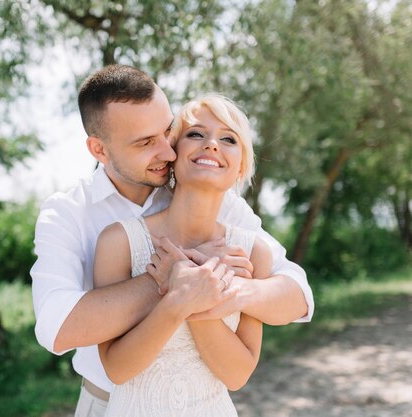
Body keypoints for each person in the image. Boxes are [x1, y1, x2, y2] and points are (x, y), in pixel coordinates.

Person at [30, 65, 314, 417]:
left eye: (168, 132)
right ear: (99, 150)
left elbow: (297, 294)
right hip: (109, 403)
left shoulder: (218, 200)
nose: (167, 151)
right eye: (146, 142)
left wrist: (226, 287)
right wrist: (180, 276)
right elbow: (58, 328)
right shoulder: (70, 213)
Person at [94, 93, 268, 417]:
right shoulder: (119, 241)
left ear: (241, 165)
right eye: (196, 134)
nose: (212, 144)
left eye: (228, 138)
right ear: (173, 153)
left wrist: (190, 290)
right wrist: (177, 302)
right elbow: (117, 369)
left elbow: (237, 375)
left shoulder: (252, 252)